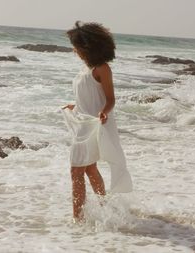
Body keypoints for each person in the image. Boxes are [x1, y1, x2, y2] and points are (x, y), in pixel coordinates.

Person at [62, 21, 133, 223]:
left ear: (86, 46)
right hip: (81, 124)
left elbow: (110, 99)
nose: (74, 50)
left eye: (76, 46)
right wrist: (74, 106)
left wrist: (104, 111)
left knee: (76, 170)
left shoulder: (102, 68)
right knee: (89, 168)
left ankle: (78, 219)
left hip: (95, 125)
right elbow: (86, 98)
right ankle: (104, 208)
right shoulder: (85, 70)